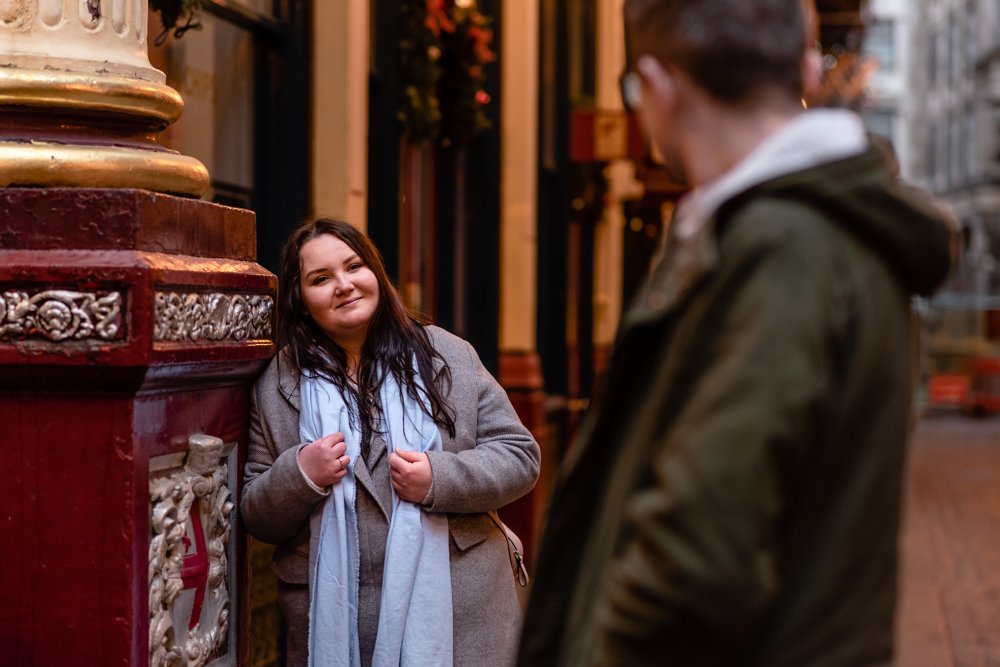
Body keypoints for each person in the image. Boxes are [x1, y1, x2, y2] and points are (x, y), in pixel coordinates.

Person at [518, 1, 956, 665]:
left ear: (658, 87)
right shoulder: (802, 233)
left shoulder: (780, 248)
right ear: (807, 67)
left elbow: (694, 562)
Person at [242, 217, 540, 667]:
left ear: (375, 274)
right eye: (321, 279)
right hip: (337, 627)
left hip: (462, 613)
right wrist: (301, 474)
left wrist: (438, 478)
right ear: (301, 301)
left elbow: (520, 456)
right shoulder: (277, 385)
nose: (344, 285)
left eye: (354, 266)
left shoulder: (447, 356)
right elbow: (256, 513)